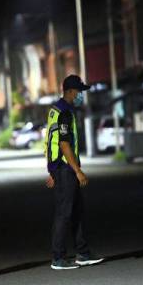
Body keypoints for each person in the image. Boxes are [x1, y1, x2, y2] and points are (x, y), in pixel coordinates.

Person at [44, 75, 104, 270]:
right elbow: (63, 143)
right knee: (64, 212)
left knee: (76, 210)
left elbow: (49, 141)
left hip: (60, 168)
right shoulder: (64, 113)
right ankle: (58, 257)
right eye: (79, 92)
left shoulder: (56, 110)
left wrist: (52, 170)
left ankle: (83, 252)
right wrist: (77, 171)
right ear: (70, 91)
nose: (81, 96)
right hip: (66, 168)